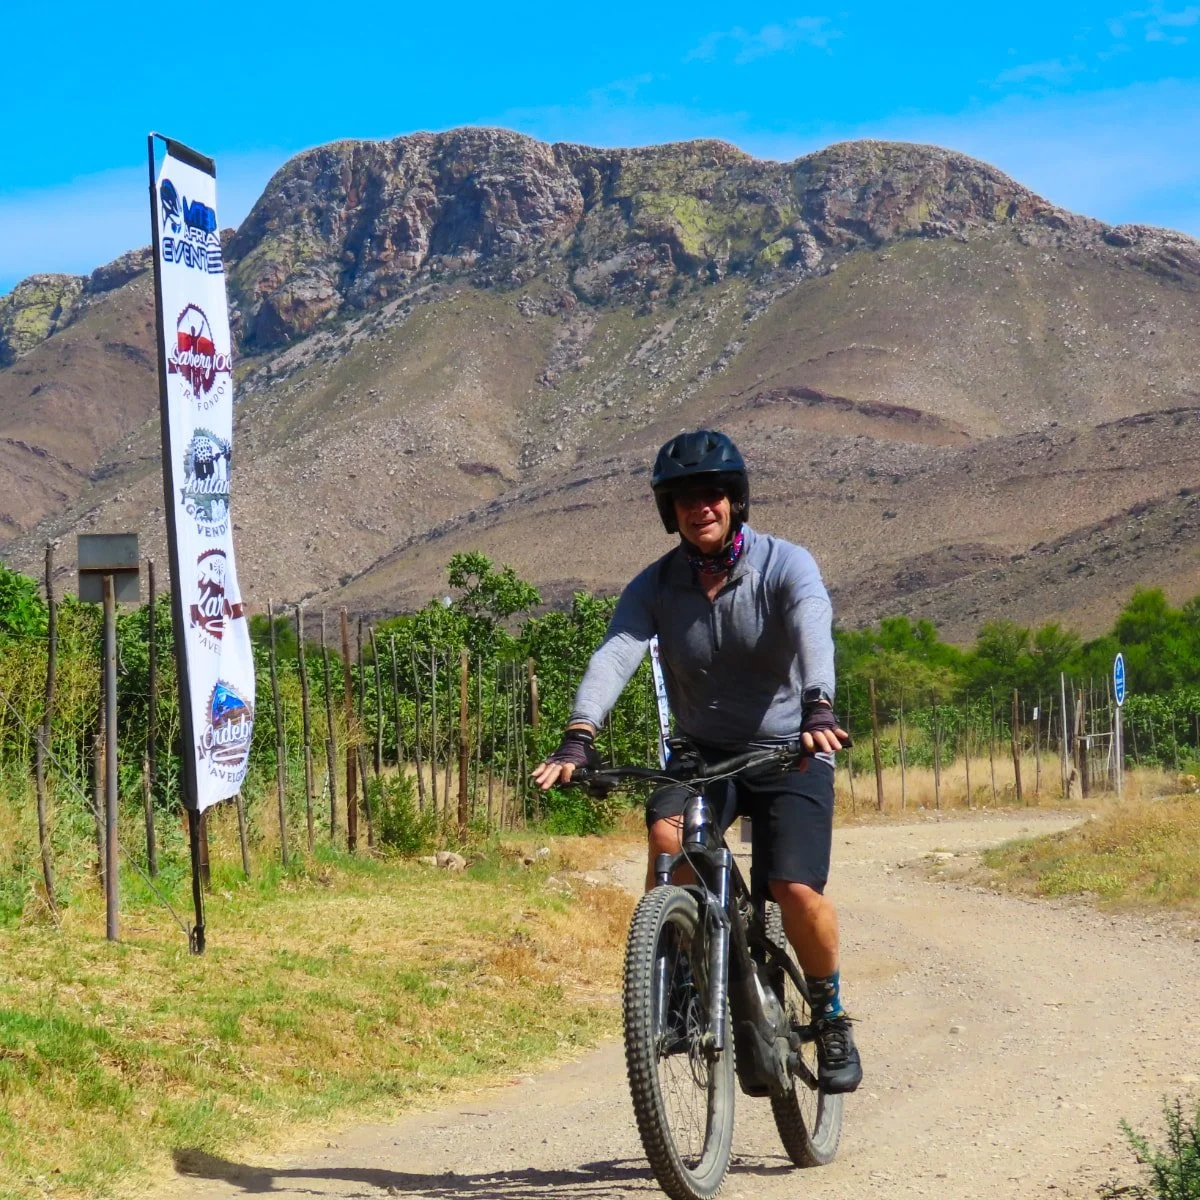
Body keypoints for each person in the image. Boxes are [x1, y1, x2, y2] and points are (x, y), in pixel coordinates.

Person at [532, 428, 862, 1093]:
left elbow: (812, 624)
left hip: (789, 747)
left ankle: (828, 1015)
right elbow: (616, 653)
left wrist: (819, 705)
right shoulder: (657, 585)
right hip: (703, 751)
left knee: (792, 890)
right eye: (684, 498)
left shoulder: (784, 564)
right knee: (666, 835)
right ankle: (685, 975)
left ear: (734, 500)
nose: (699, 506)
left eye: (712, 493)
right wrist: (579, 735)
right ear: (669, 511)